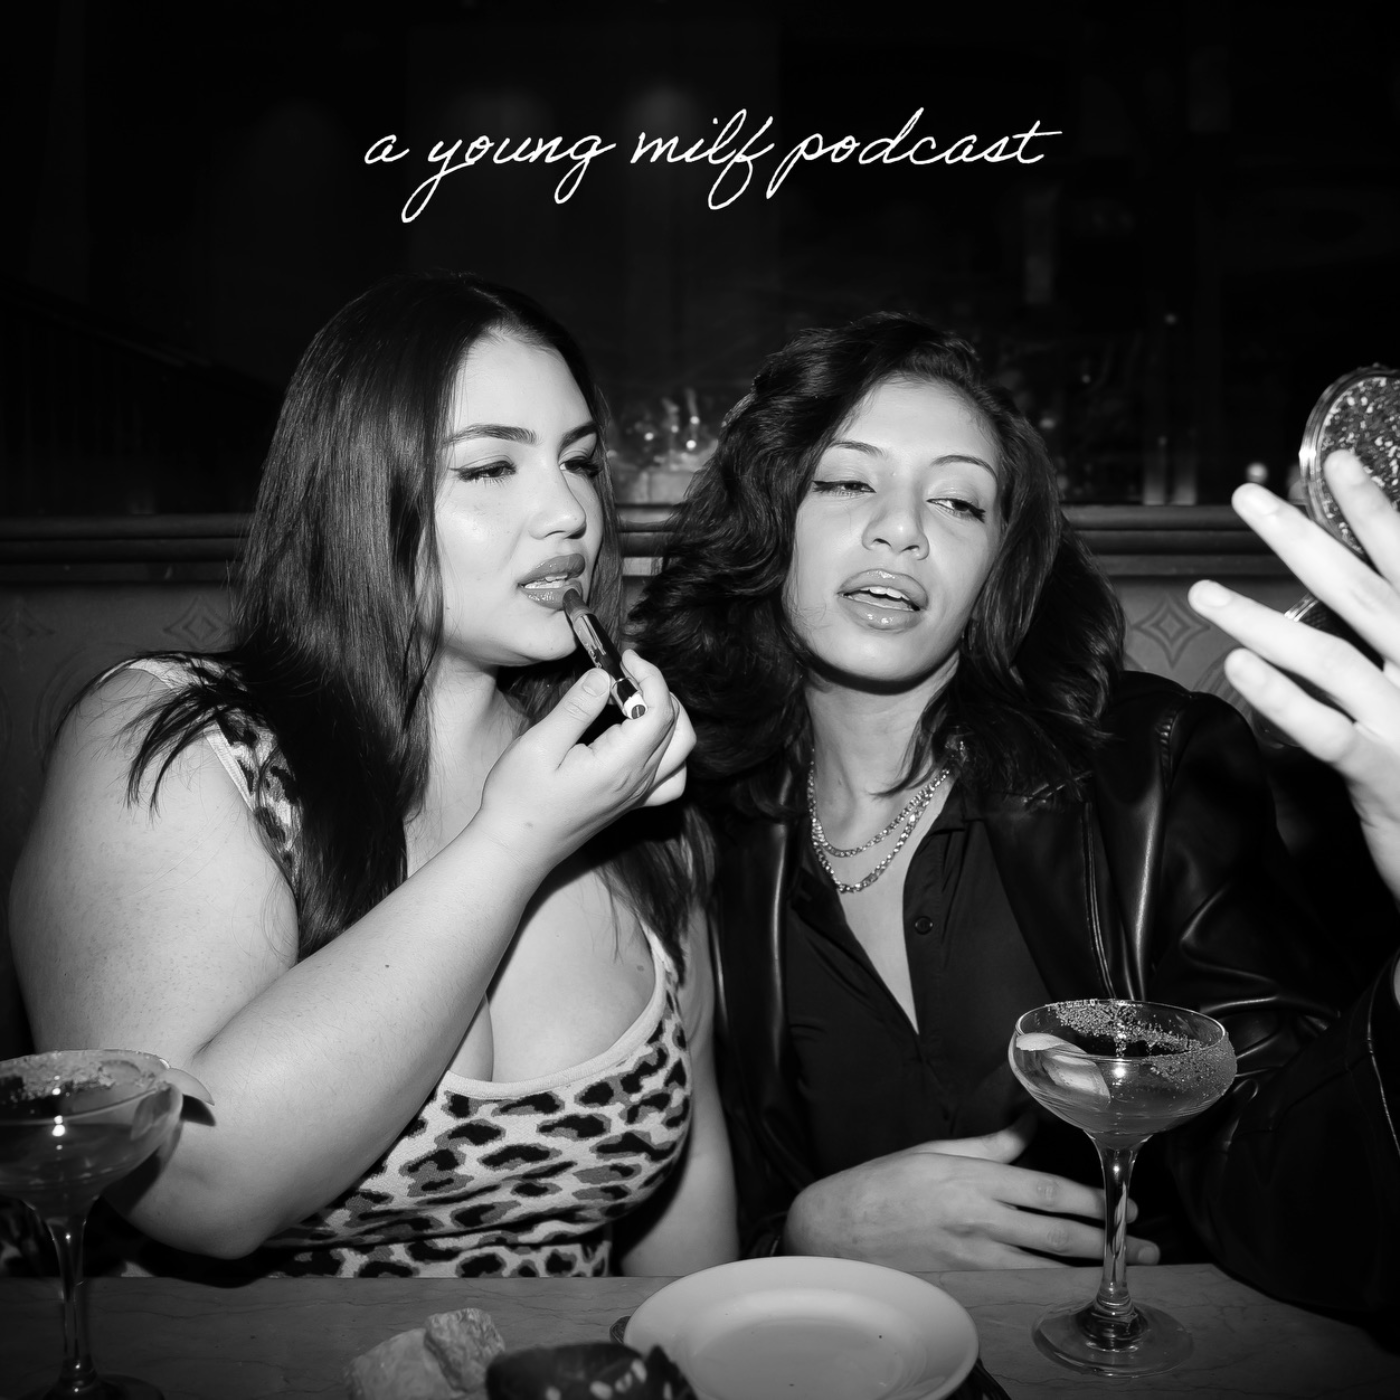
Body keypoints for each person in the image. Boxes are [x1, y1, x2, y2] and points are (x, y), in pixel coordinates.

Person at [633, 313, 1400, 1314]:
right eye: (846, 482)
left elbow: (1307, 1213)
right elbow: (666, 1208)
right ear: (768, 519)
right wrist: (808, 1237)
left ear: (1000, 560)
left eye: (957, 500)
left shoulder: (1153, 771)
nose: (902, 529)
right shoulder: (685, 824)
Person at [8, 272, 737, 1279]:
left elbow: (689, 1190)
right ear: (352, 492)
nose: (567, 512)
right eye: (489, 467)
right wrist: (515, 842)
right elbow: (191, 1186)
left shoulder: (626, 791)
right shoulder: (178, 740)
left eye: (578, 462)